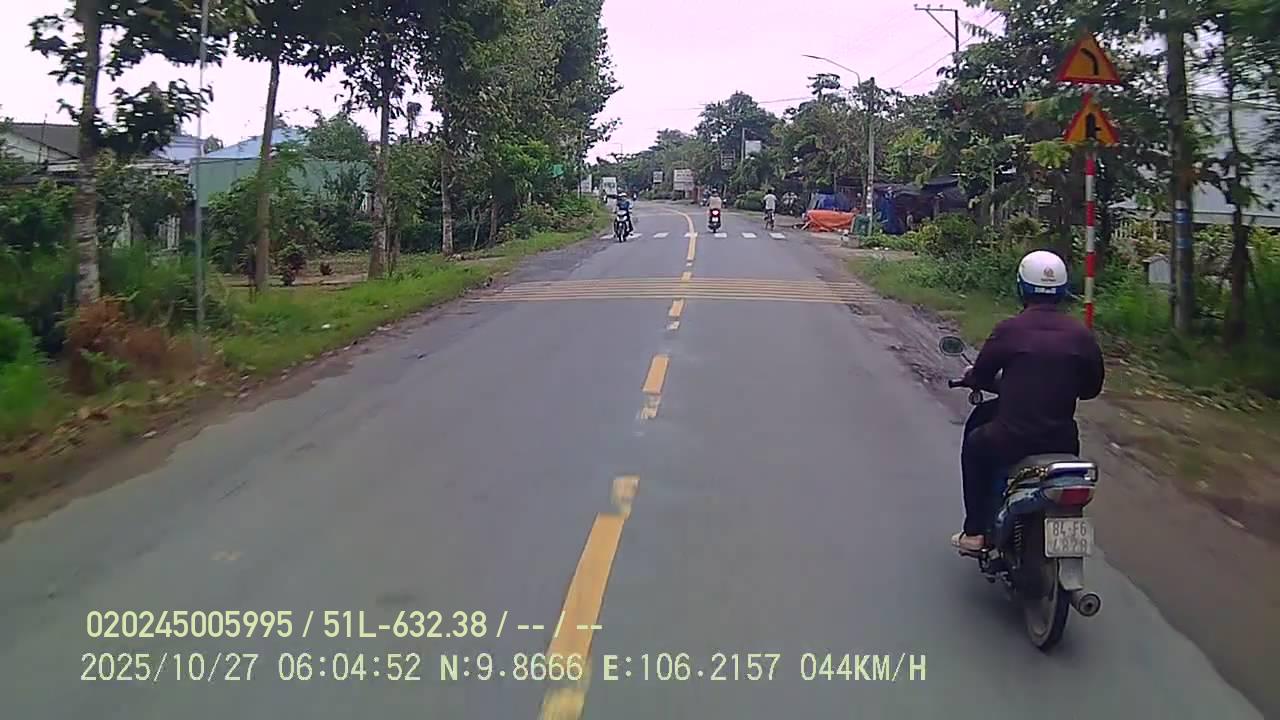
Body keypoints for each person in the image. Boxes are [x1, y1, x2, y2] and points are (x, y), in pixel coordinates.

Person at [951, 250, 1105, 553]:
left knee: (975, 445)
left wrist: (976, 379)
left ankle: (975, 532)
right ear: (1062, 290)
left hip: (1010, 439)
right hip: (1062, 441)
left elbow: (981, 375)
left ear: (1021, 287)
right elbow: (1090, 389)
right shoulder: (1081, 335)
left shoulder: (1009, 330)